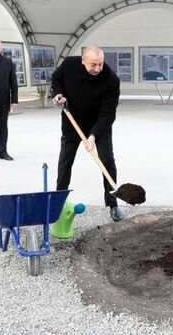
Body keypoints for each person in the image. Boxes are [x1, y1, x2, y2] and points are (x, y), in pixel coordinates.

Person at [51, 45, 123, 222]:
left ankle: (113, 203)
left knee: (107, 160)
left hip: (99, 124)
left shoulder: (111, 80)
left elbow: (108, 113)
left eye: (100, 64)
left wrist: (93, 135)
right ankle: (58, 202)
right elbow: (56, 78)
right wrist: (59, 94)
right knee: (65, 161)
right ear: (83, 61)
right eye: (93, 64)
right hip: (72, 120)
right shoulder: (69, 65)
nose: (97, 68)